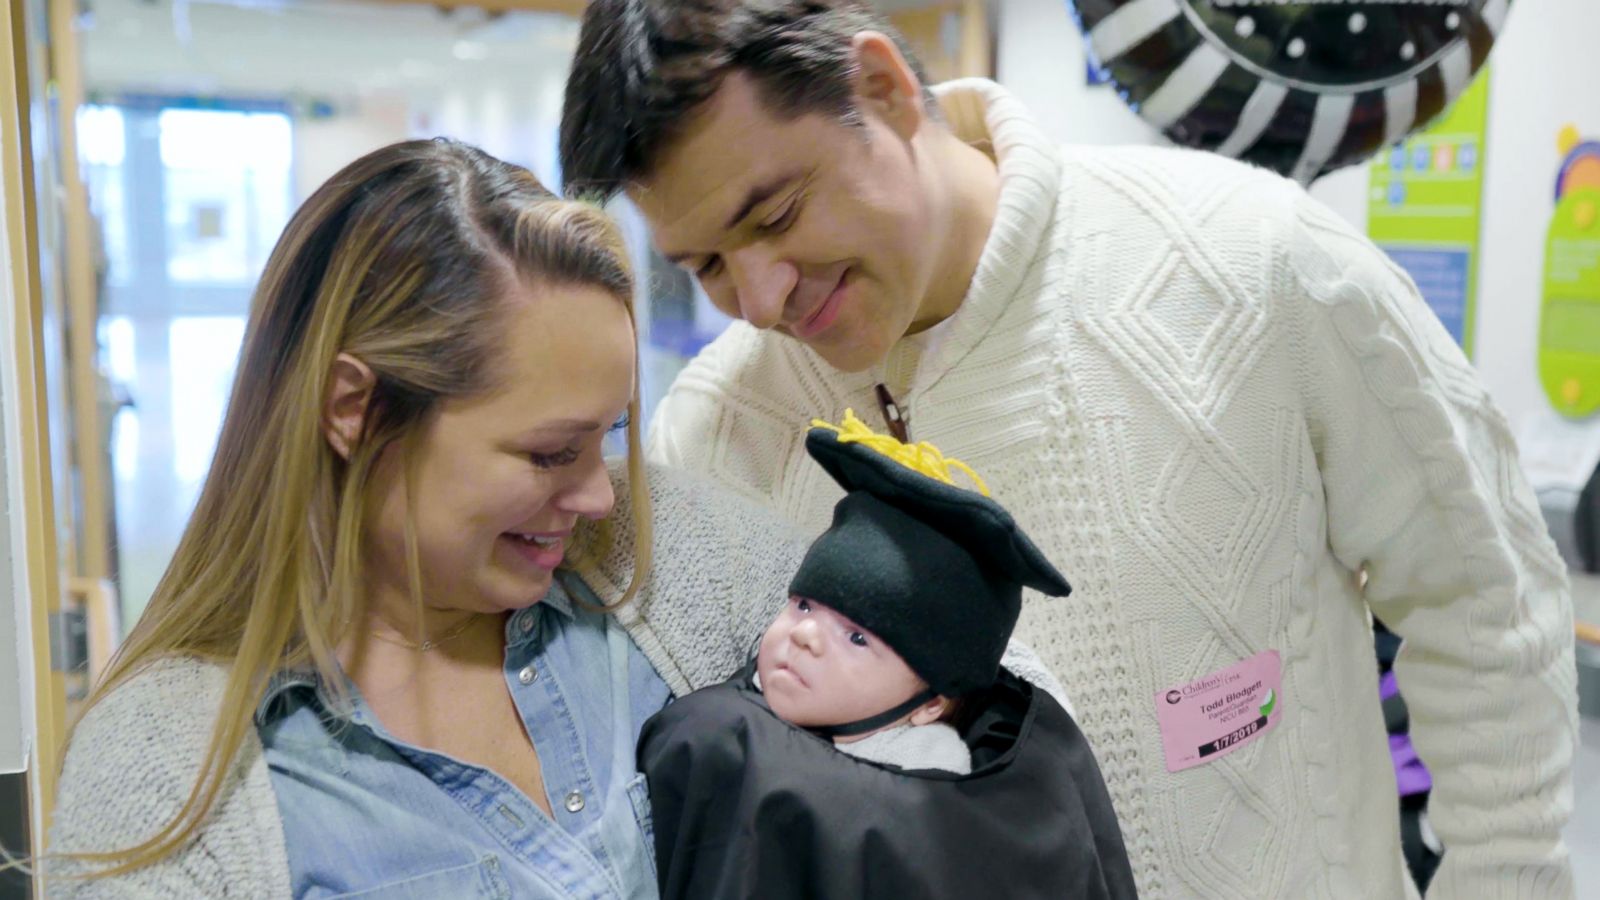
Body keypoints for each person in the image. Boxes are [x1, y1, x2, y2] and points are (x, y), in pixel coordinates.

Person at [558, 2, 1580, 895]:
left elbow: (1484, 603)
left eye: (775, 214)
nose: (762, 297)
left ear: (879, 88)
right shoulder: (720, 427)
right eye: (706, 265)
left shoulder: (1254, 263)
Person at [44, 138, 1063, 897]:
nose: (599, 496)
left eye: (611, 435)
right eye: (548, 452)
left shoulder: (680, 574)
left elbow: (989, 749)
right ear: (354, 410)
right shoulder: (169, 776)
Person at [638, 415, 1137, 898]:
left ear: (929, 705)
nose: (806, 633)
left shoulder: (941, 795)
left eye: (857, 638)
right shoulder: (732, 728)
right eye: (803, 604)